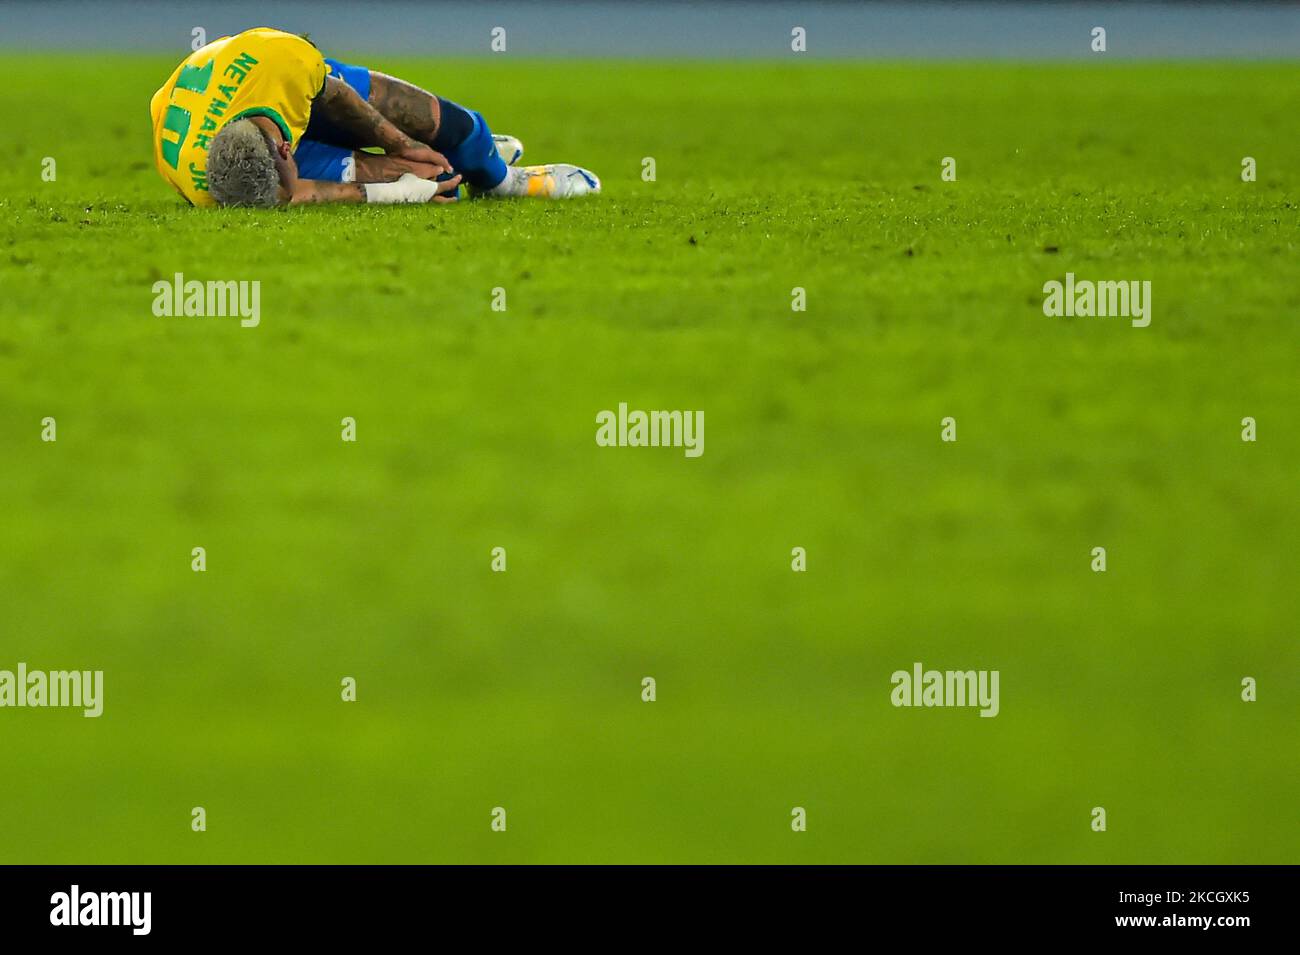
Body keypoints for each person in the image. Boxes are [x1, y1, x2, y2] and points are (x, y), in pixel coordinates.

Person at [150, 26, 601, 206]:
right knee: (429, 181)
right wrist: (400, 190)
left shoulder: (289, 63)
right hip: (218, 104)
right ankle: (469, 172)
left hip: (289, 77)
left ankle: (499, 177)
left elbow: (338, 98)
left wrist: (400, 143)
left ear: (286, 148)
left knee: (449, 128)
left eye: (284, 175)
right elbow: (292, 194)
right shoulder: (211, 185)